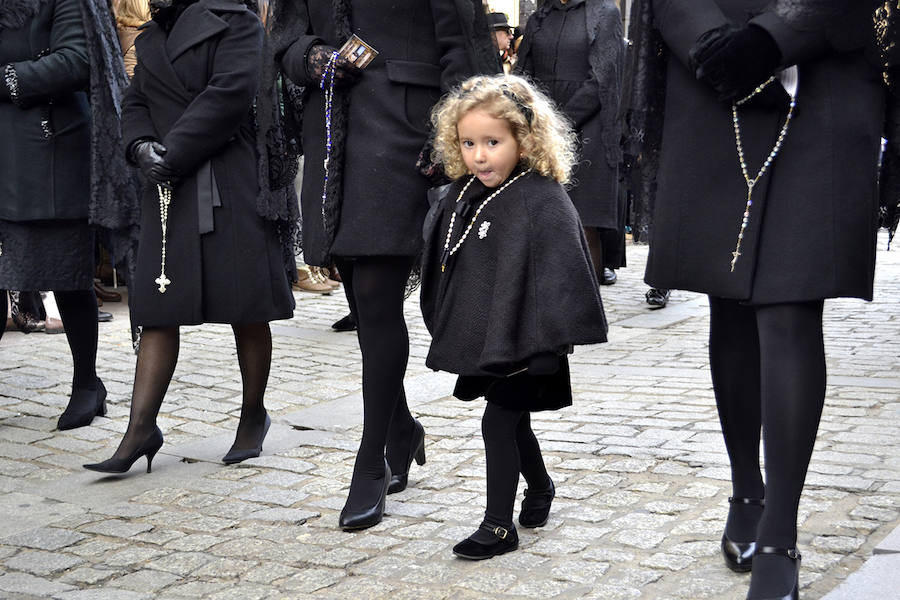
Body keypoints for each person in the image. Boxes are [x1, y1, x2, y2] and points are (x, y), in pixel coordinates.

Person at [630, 1, 889, 598]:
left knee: (791, 306)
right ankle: (747, 488)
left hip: (821, 73)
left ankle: (779, 532)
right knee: (731, 300)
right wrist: (710, 44)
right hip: (711, 78)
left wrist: (772, 40)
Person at [270, 0, 500, 531]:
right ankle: (402, 430)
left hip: (406, 140)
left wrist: (449, 140)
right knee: (361, 302)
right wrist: (315, 56)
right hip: (332, 143)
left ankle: (371, 459)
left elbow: (463, 51)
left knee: (375, 299)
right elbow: (284, 42)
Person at [84, 0, 297, 475]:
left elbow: (229, 96)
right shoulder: (152, 39)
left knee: (246, 305)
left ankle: (253, 415)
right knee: (159, 307)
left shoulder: (236, 23)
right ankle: (141, 428)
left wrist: (172, 154)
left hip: (228, 181)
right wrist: (139, 146)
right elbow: (135, 102)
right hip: (167, 188)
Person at [421, 74, 608, 560]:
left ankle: (498, 526)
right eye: (467, 143)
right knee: (514, 421)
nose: (479, 155)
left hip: (533, 340)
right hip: (491, 335)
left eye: (492, 143)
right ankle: (541, 485)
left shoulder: (542, 198)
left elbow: (563, 271)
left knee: (498, 422)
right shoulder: (466, 193)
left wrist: (553, 343)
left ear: (524, 140)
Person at [0, 0, 131, 430]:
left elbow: (77, 60)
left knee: (67, 274)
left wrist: (7, 77)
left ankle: (87, 384)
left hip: (48, 151)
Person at [515, 0, 625, 298]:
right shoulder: (541, 16)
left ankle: (584, 309)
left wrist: (559, 123)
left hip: (588, 129)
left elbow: (602, 78)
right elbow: (522, 75)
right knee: (539, 220)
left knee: (583, 223)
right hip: (540, 130)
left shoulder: (605, 13)